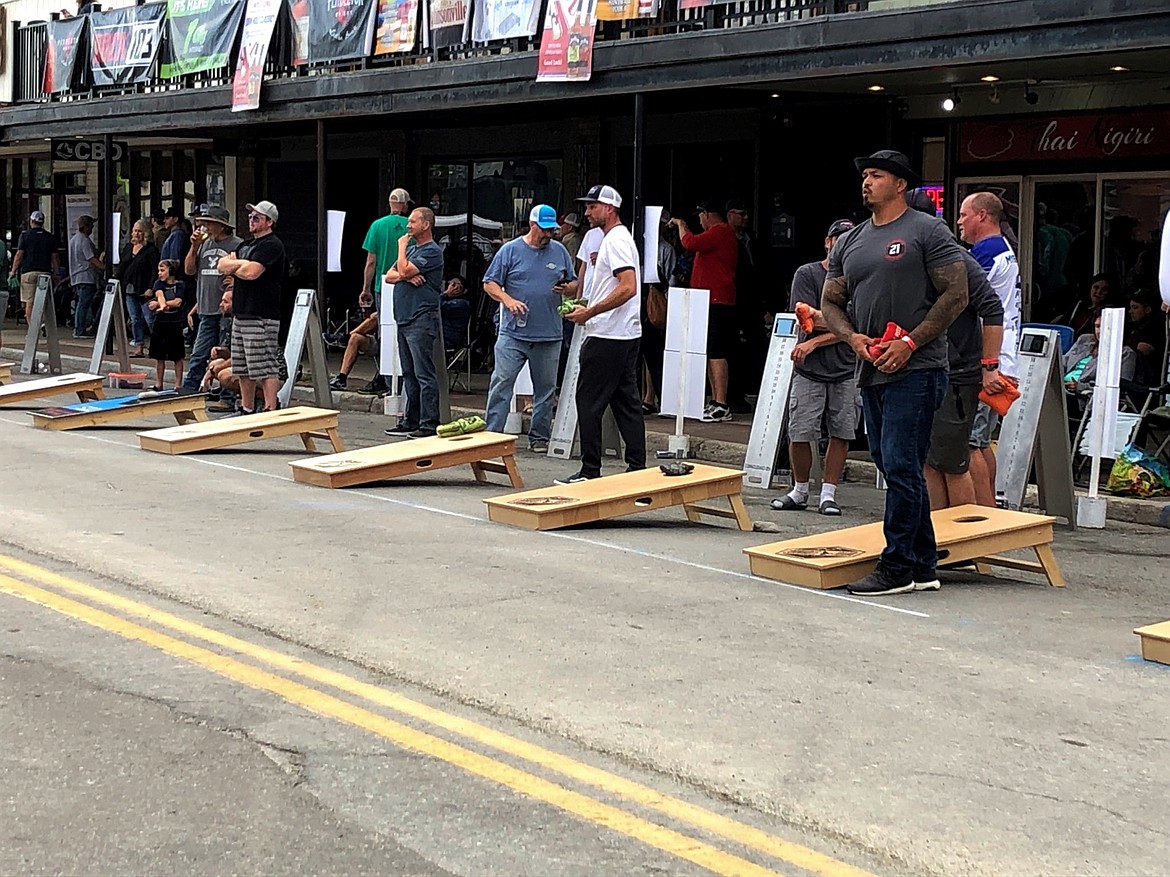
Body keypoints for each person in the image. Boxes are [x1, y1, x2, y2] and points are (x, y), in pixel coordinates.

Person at [820, 150, 968, 597]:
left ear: (900, 184)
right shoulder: (851, 240)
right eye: (864, 175)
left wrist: (910, 342)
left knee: (902, 464)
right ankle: (923, 565)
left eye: (877, 175)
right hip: (871, 366)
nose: (866, 182)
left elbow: (956, 293)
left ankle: (897, 565)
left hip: (918, 368)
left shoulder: (928, 230)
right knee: (890, 463)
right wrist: (852, 339)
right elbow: (831, 301)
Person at [558, 185, 646, 483]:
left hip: (608, 333)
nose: (586, 212)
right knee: (626, 403)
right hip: (624, 333)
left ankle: (589, 469)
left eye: (592, 206)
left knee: (588, 401)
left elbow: (628, 286)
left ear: (609, 208)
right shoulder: (618, 238)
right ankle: (636, 466)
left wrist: (590, 312)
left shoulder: (615, 240)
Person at [771, 219, 857, 517]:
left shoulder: (859, 277)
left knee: (841, 431)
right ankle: (800, 489)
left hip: (845, 367)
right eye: (837, 238)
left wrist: (816, 339)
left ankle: (829, 493)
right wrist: (841, 326)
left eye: (849, 239)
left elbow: (859, 325)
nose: (841, 244)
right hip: (809, 369)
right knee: (800, 430)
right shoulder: (807, 273)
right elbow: (804, 317)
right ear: (827, 241)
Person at [482, 205, 579, 453]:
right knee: (502, 382)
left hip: (549, 332)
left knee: (545, 389)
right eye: (545, 229)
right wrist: (508, 300)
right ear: (533, 225)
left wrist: (568, 289)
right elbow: (489, 283)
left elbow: (574, 281)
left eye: (552, 230)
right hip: (513, 332)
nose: (549, 234)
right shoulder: (510, 250)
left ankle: (539, 437)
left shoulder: (559, 251)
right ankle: (492, 434)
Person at [957, 191, 1021, 507]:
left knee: (969, 443)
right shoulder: (1004, 249)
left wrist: (987, 365)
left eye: (963, 214)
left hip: (988, 361)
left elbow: (961, 297)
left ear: (982, 215)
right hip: (1000, 358)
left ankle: (984, 516)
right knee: (981, 441)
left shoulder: (986, 253)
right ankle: (990, 504)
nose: (959, 222)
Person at [217, 200, 287, 414]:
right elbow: (222, 266)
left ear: (269, 222)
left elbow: (251, 273)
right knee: (243, 365)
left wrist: (237, 266)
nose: (251, 221)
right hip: (241, 312)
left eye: (256, 218)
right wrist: (239, 265)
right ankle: (246, 407)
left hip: (262, 313)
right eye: (250, 217)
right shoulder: (245, 245)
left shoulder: (272, 245)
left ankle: (270, 407)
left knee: (264, 363)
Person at [671, 201, 738, 422]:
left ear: (707, 214)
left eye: (700, 216)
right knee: (709, 351)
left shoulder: (720, 231)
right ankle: (714, 399)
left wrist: (681, 224)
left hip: (718, 300)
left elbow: (689, 242)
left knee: (717, 351)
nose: (699, 221)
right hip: (705, 300)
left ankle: (722, 402)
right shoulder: (716, 235)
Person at [383, 207, 445, 438]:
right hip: (404, 316)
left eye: (412, 222)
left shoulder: (431, 251)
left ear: (426, 225)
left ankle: (429, 422)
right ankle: (411, 419)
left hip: (421, 317)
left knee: (423, 372)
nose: (408, 226)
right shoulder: (411, 250)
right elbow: (390, 275)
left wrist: (401, 252)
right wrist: (405, 274)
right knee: (408, 371)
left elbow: (404, 268)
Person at [356, 187, 412, 396]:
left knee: (385, 332)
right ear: (405, 205)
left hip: (383, 286)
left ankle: (389, 380)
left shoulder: (377, 226)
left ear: (390, 203)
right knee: (405, 330)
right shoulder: (411, 225)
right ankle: (406, 382)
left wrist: (366, 288)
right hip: (406, 283)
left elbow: (371, 261)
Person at [182, 205, 241, 391]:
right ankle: (189, 390)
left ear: (222, 226)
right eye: (203, 223)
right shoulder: (204, 244)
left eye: (209, 223)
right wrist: (194, 246)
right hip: (206, 307)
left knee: (224, 353)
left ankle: (226, 395)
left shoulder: (236, 245)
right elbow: (189, 270)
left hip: (227, 309)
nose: (205, 227)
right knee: (199, 353)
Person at [725, 197, 765, 414]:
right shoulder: (725, 239)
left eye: (747, 214)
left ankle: (755, 390)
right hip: (732, 301)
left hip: (754, 302)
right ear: (730, 214)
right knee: (732, 350)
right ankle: (733, 395)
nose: (745, 218)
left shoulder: (752, 240)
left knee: (756, 347)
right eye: (741, 214)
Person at [113, 219, 160, 357]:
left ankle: (157, 345)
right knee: (134, 318)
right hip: (129, 288)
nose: (137, 234)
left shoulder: (151, 249)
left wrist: (151, 287)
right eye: (135, 230)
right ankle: (138, 346)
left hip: (144, 288)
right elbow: (122, 266)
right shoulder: (128, 247)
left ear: (145, 233)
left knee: (149, 318)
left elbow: (154, 270)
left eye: (140, 231)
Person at [8, 210, 61, 326]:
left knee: (29, 302)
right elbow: (55, 257)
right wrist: (57, 273)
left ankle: (33, 328)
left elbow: (19, 255)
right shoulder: (50, 237)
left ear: (31, 221)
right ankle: (44, 323)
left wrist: (13, 271)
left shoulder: (25, 236)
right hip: (45, 273)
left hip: (29, 272)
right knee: (44, 301)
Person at [147, 259, 192, 390]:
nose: (159, 273)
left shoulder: (180, 285)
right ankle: (158, 383)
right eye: (158, 271)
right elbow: (159, 295)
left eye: (162, 270)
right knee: (159, 355)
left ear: (171, 271)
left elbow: (178, 302)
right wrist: (161, 304)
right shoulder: (158, 284)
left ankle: (178, 384)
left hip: (175, 323)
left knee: (177, 356)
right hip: (161, 322)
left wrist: (162, 305)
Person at [1064, 314, 1137, 395]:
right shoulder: (1084, 340)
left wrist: (1081, 387)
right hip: (1061, 387)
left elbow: (1121, 387)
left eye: (1105, 326)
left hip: (1083, 397)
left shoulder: (1126, 354)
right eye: (1097, 326)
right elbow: (1062, 362)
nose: (1100, 331)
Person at [328, 296, 378, 390]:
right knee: (355, 338)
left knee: (375, 317)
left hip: (391, 343)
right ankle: (341, 379)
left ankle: (344, 338)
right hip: (378, 339)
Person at [68, 215, 104, 337]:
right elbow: (91, 258)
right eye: (91, 225)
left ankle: (80, 327)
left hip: (76, 277)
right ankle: (80, 329)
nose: (92, 228)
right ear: (85, 227)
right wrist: (104, 267)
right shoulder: (84, 241)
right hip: (86, 276)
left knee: (81, 303)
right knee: (84, 304)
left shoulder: (73, 240)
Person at [1125, 291, 1166, 384]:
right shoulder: (1132, 326)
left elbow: (1144, 349)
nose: (1130, 311)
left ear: (1147, 309)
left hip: (1146, 379)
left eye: (1135, 307)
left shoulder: (1155, 325)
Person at [441, 275, 472, 349]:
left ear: (464, 290)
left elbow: (438, 308)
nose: (450, 287)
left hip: (448, 339)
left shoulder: (462, 304)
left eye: (454, 284)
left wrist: (446, 294)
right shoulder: (446, 300)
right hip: (439, 335)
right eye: (449, 283)